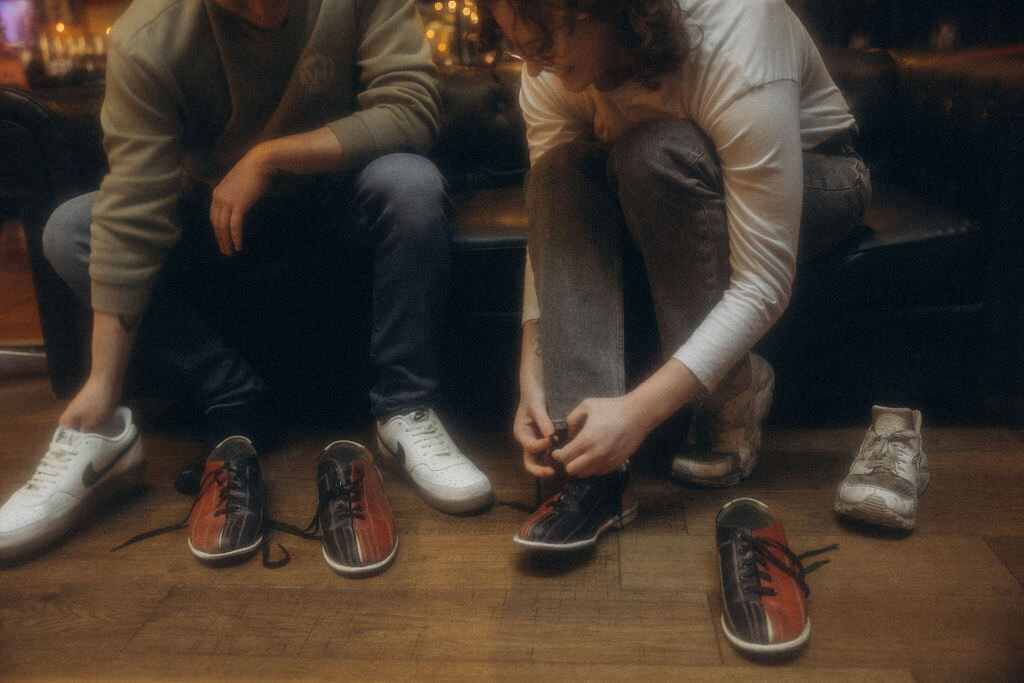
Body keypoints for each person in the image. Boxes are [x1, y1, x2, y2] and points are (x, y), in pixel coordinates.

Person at [0, 0, 494, 572]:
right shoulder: (149, 34)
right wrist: (103, 385)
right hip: (209, 211)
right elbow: (132, 210)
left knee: (411, 183)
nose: (265, 9)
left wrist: (270, 157)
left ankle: (404, 408)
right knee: (70, 231)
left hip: (335, 191)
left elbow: (410, 109)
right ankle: (230, 393)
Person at [477, 0, 871, 550]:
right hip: (661, 171)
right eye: (519, 46)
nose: (534, 67)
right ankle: (591, 471)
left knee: (653, 153)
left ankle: (735, 388)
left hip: (819, 173)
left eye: (543, 45)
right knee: (557, 173)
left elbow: (764, 283)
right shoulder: (547, 70)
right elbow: (555, 214)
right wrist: (533, 366)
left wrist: (636, 417)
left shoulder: (737, 29)